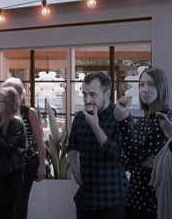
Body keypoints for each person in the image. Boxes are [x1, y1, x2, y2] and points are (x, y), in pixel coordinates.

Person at [70, 70, 127, 218]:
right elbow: (72, 145)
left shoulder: (120, 118)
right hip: (85, 199)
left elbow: (117, 155)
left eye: (93, 95)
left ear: (107, 94)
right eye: (84, 94)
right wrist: (75, 168)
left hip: (112, 200)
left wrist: (95, 126)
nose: (87, 100)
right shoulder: (80, 118)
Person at [119, 67, 170, 218]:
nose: (144, 89)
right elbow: (126, 161)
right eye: (141, 84)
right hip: (132, 198)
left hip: (153, 202)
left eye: (151, 84)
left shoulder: (165, 120)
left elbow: (132, 158)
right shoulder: (143, 121)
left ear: (162, 88)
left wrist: (122, 123)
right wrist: (139, 161)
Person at [1, 78, 48, 217]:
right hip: (3, 168)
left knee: (20, 207)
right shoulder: (0, 112)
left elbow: (40, 141)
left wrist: (41, 165)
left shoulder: (29, 112)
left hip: (24, 168)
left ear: (21, 94)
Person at [0, 86, 28, 219]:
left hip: (9, 178)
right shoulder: (1, 124)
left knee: (5, 215)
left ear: (8, 103)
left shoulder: (15, 122)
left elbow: (8, 149)